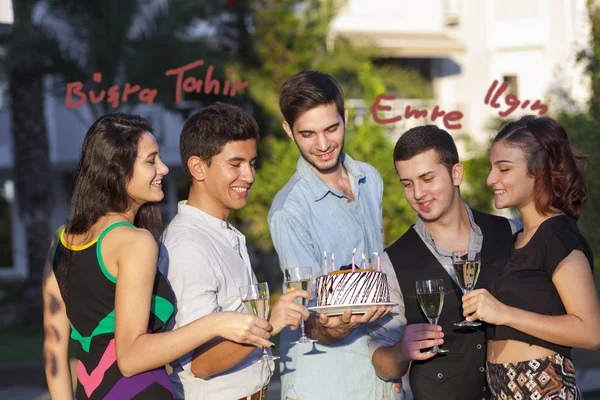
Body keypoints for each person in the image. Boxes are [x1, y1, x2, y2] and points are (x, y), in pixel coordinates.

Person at [42, 113, 275, 400]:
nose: (163, 169)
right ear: (118, 169)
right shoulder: (136, 242)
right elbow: (130, 358)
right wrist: (215, 323)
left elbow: (54, 349)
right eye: (151, 161)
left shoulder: (62, 238)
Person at [159, 102, 311, 400]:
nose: (249, 176)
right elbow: (201, 364)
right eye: (236, 164)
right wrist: (270, 325)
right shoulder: (188, 246)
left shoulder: (224, 233)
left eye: (252, 163)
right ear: (197, 167)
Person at [369, 124, 522, 400]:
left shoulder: (512, 234)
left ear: (456, 173)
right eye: (407, 184)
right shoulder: (391, 262)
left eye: (427, 178)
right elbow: (382, 363)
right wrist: (402, 351)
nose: (418, 193)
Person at [268, 70, 393, 400]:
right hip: (325, 384)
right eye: (307, 134)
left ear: (346, 118)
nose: (322, 145)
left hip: (380, 376)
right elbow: (308, 320)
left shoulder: (370, 179)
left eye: (331, 128)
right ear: (288, 131)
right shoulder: (289, 211)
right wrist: (342, 324)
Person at [461, 115, 600, 399]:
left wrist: (504, 313)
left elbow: (592, 332)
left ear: (540, 172)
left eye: (504, 169)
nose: (491, 179)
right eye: (492, 168)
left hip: (544, 389)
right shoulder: (514, 240)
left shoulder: (558, 236)